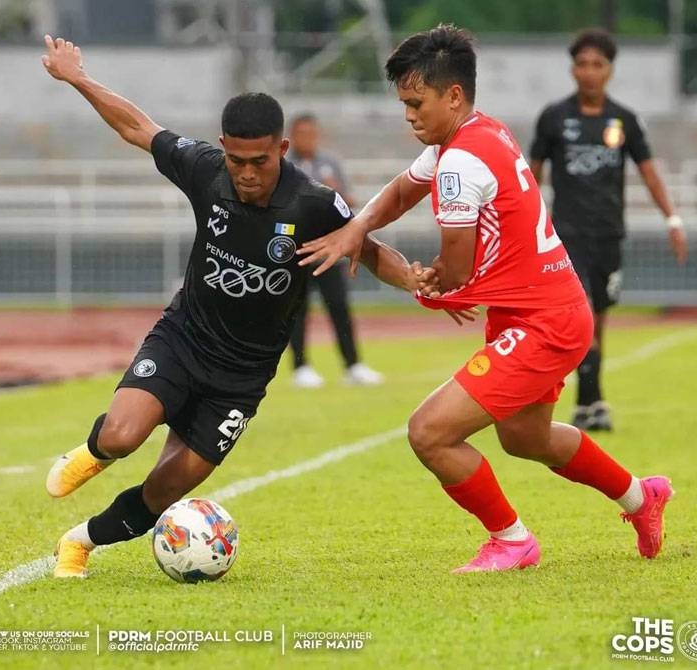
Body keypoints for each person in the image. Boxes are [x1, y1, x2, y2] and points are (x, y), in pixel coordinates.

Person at [38, 35, 457, 578]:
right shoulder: (206, 170)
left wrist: (420, 283)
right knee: (121, 436)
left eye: (259, 161)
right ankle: (94, 450)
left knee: (165, 488)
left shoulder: (312, 203)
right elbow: (137, 128)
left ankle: (80, 541)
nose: (247, 173)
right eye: (237, 160)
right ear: (223, 147)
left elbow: (370, 250)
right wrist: (77, 77)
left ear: (281, 151)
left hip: (242, 376)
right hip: (184, 339)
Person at [299, 24, 673, 573]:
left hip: (543, 321)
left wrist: (424, 284)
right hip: (543, 306)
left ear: (453, 95)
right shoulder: (479, 132)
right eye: (403, 103)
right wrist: (359, 227)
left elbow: (453, 265)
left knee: (429, 432)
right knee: (526, 438)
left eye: (415, 102)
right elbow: (404, 189)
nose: (408, 115)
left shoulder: (459, 163)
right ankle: (643, 498)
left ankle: (512, 539)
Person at [529, 28, 688, 431]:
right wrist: (525, 224)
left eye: (597, 64)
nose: (589, 72)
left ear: (609, 71)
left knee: (597, 320)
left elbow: (649, 173)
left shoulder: (624, 120)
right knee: (579, 313)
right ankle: (590, 402)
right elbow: (531, 175)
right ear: (572, 69)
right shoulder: (554, 118)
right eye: (582, 64)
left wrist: (672, 218)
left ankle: (590, 402)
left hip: (609, 235)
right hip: (566, 235)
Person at [286, 113, 384, 388]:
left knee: (339, 307)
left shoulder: (330, 163)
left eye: (311, 133)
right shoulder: (285, 165)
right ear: (292, 136)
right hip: (298, 252)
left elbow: (348, 200)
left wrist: (335, 192)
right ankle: (301, 367)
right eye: (301, 133)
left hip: (330, 250)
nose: (307, 138)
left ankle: (353, 365)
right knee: (297, 311)